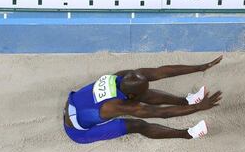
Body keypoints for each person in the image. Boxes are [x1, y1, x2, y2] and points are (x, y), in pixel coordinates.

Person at [63, 56, 223, 144]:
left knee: (146, 93)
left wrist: (200, 67)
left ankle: (187, 101)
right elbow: (162, 113)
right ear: (130, 98)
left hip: (76, 103)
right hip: (79, 130)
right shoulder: (118, 106)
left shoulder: (125, 76)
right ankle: (189, 134)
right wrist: (200, 107)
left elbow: (161, 72)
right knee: (138, 125)